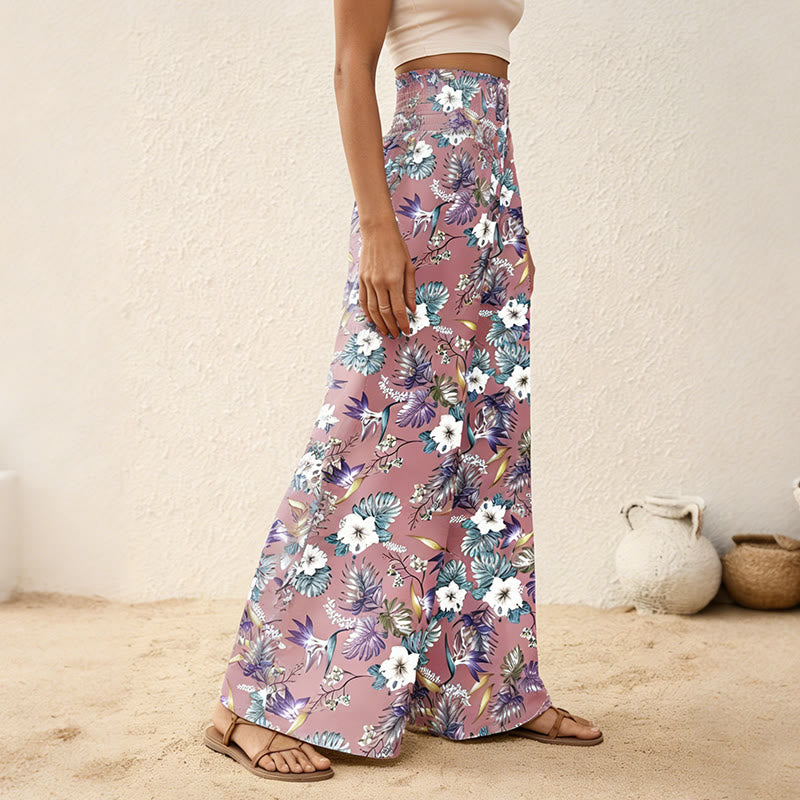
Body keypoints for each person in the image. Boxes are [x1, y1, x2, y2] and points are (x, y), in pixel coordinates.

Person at [203, 0, 603, 782]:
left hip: (491, 203)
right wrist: (379, 227)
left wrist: (506, 226)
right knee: (368, 443)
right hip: (418, 203)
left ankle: (485, 689)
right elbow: (350, 69)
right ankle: (249, 705)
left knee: (486, 455)